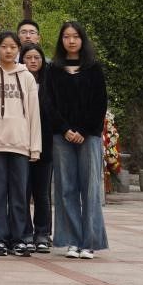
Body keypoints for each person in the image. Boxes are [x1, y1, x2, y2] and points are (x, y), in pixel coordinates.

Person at [44, 21, 109, 260]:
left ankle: (89, 242)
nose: (71, 41)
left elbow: (100, 103)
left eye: (75, 36)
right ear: (61, 41)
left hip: (88, 137)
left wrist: (82, 130)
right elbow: (49, 103)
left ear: (82, 39)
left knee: (90, 189)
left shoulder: (94, 68)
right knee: (66, 188)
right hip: (62, 137)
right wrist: (65, 129)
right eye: (66, 37)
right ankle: (72, 241)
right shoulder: (53, 69)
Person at [0, 31, 42, 256]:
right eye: (4, 46)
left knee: (19, 195)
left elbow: (34, 113)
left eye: (13, 47)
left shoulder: (27, 77)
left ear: (18, 50)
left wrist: (35, 147)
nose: (8, 51)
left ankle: (19, 238)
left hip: (20, 144)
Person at [20, 35, 55, 254]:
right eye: (28, 57)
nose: (33, 61)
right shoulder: (17, 82)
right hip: (21, 144)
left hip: (45, 145)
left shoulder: (50, 84)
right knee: (23, 192)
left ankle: (42, 233)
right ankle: (25, 232)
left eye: (37, 57)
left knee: (42, 193)